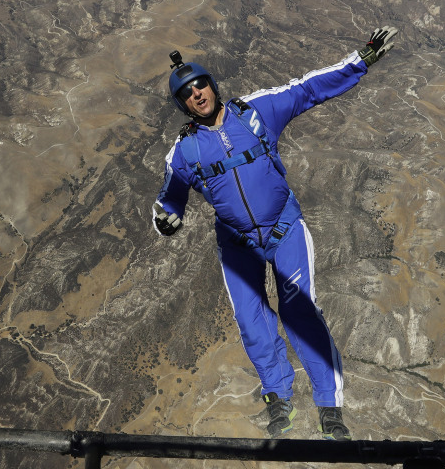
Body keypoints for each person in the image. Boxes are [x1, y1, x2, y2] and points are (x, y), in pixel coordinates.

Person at [152, 27, 399, 440]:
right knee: (252, 321)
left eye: (201, 85)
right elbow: (169, 199)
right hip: (236, 243)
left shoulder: (256, 112)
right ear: (182, 104)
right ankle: (279, 400)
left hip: (284, 228)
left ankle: (329, 407)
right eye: (188, 93)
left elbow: (306, 90)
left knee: (298, 310)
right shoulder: (184, 152)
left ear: (212, 85)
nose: (197, 94)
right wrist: (165, 221)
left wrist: (360, 61)